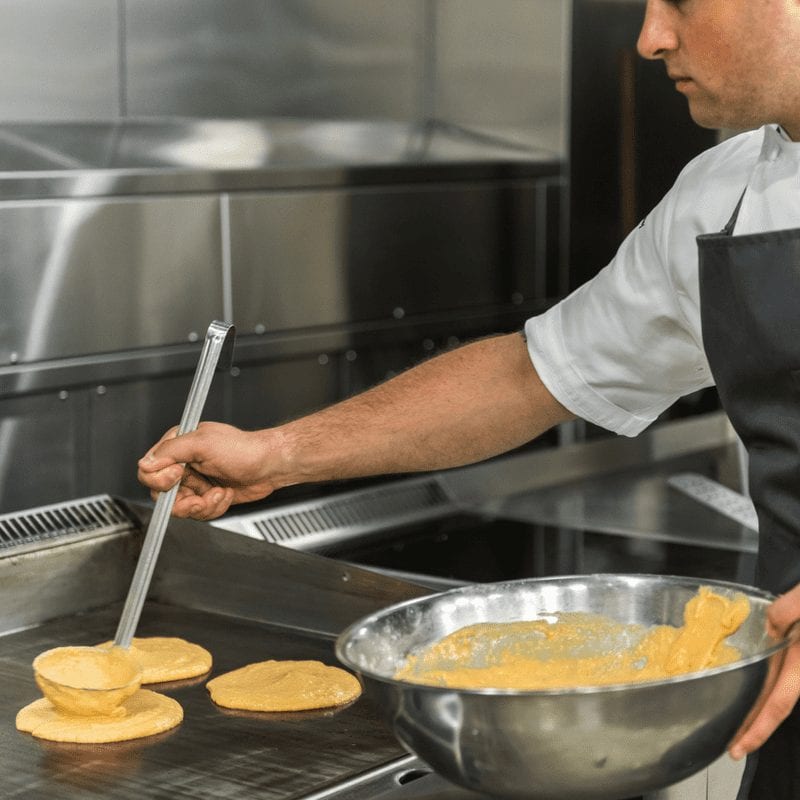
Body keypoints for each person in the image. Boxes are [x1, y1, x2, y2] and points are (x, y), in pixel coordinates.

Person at [138, 1, 800, 796]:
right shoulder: (720, 198)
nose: (651, 37)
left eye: (683, 2)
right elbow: (531, 375)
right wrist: (279, 454)